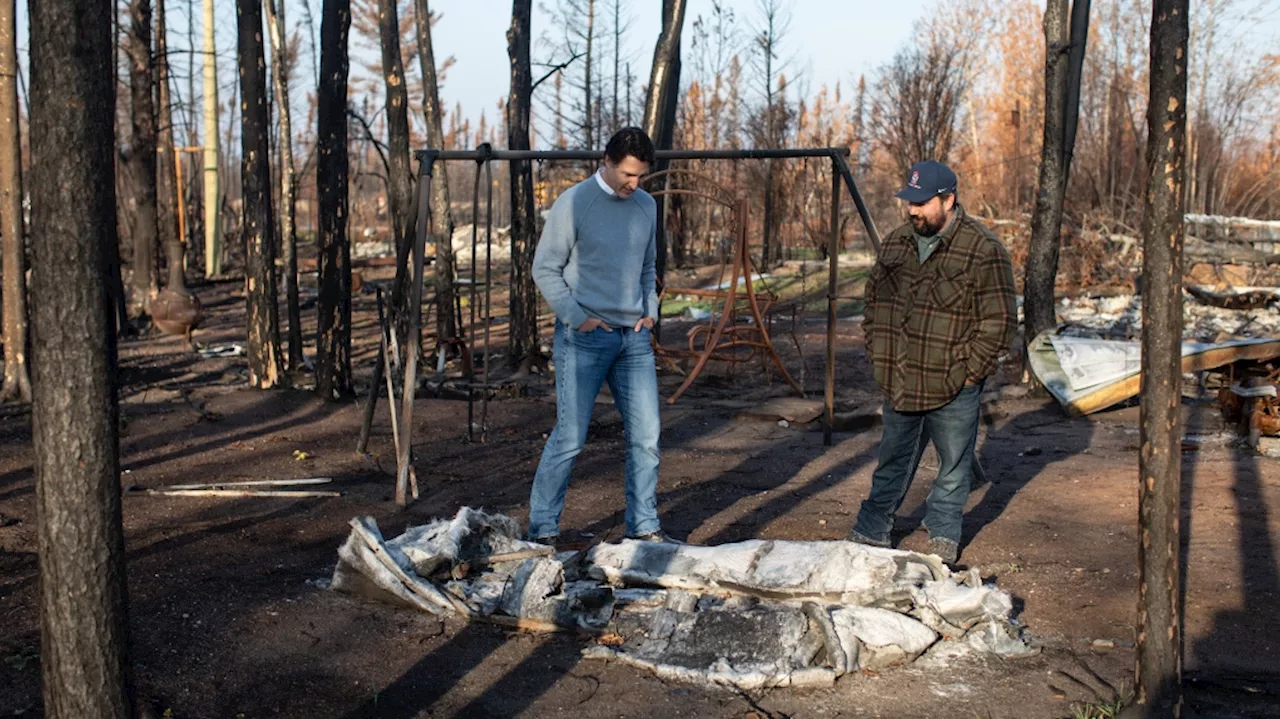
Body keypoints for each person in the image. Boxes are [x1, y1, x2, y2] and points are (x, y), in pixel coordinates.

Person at [849, 160, 1016, 566]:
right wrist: (880, 356)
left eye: (922, 203)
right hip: (900, 378)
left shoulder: (983, 249)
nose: (913, 210)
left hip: (952, 384)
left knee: (953, 467)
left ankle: (942, 533)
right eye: (910, 201)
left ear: (949, 200)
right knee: (892, 459)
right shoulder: (896, 243)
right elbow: (874, 304)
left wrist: (968, 371)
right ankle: (872, 529)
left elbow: (1000, 321)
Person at [526, 127, 676, 545]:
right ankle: (542, 531)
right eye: (628, 174)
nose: (635, 183)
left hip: (634, 341)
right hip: (585, 337)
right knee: (571, 438)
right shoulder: (574, 203)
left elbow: (649, 267)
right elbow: (545, 269)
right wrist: (576, 316)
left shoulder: (646, 206)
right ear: (606, 163)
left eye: (641, 175)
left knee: (647, 437)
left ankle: (644, 529)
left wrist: (651, 310)